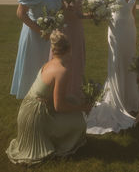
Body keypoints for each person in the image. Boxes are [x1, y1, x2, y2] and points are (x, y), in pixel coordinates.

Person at [6, 30, 90, 165]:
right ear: (69, 49)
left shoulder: (49, 63)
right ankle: (53, 140)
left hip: (27, 109)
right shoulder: (62, 71)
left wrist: (77, 104)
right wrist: (83, 107)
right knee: (79, 123)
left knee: (73, 100)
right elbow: (59, 106)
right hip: (35, 118)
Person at [87, 0, 139, 134]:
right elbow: (104, 9)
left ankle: (130, 101)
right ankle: (116, 101)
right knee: (116, 64)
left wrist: (135, 31)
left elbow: (133, 12)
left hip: (129, 31)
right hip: (115, 31)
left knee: (129, 64)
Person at [10, 0, 62, 99]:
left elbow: (60, 8)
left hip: (48, 37)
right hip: (34, 36)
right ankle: (31, 105)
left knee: (46, 69)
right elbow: (20, 13)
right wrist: (40, 31)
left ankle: (44, 101)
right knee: (33, 69)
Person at [58, 0, 89, 99]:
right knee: (63, 59)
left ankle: (75, 91)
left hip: (77, 27)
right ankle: (61, 92)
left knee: (77, 59)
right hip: (63, 27)